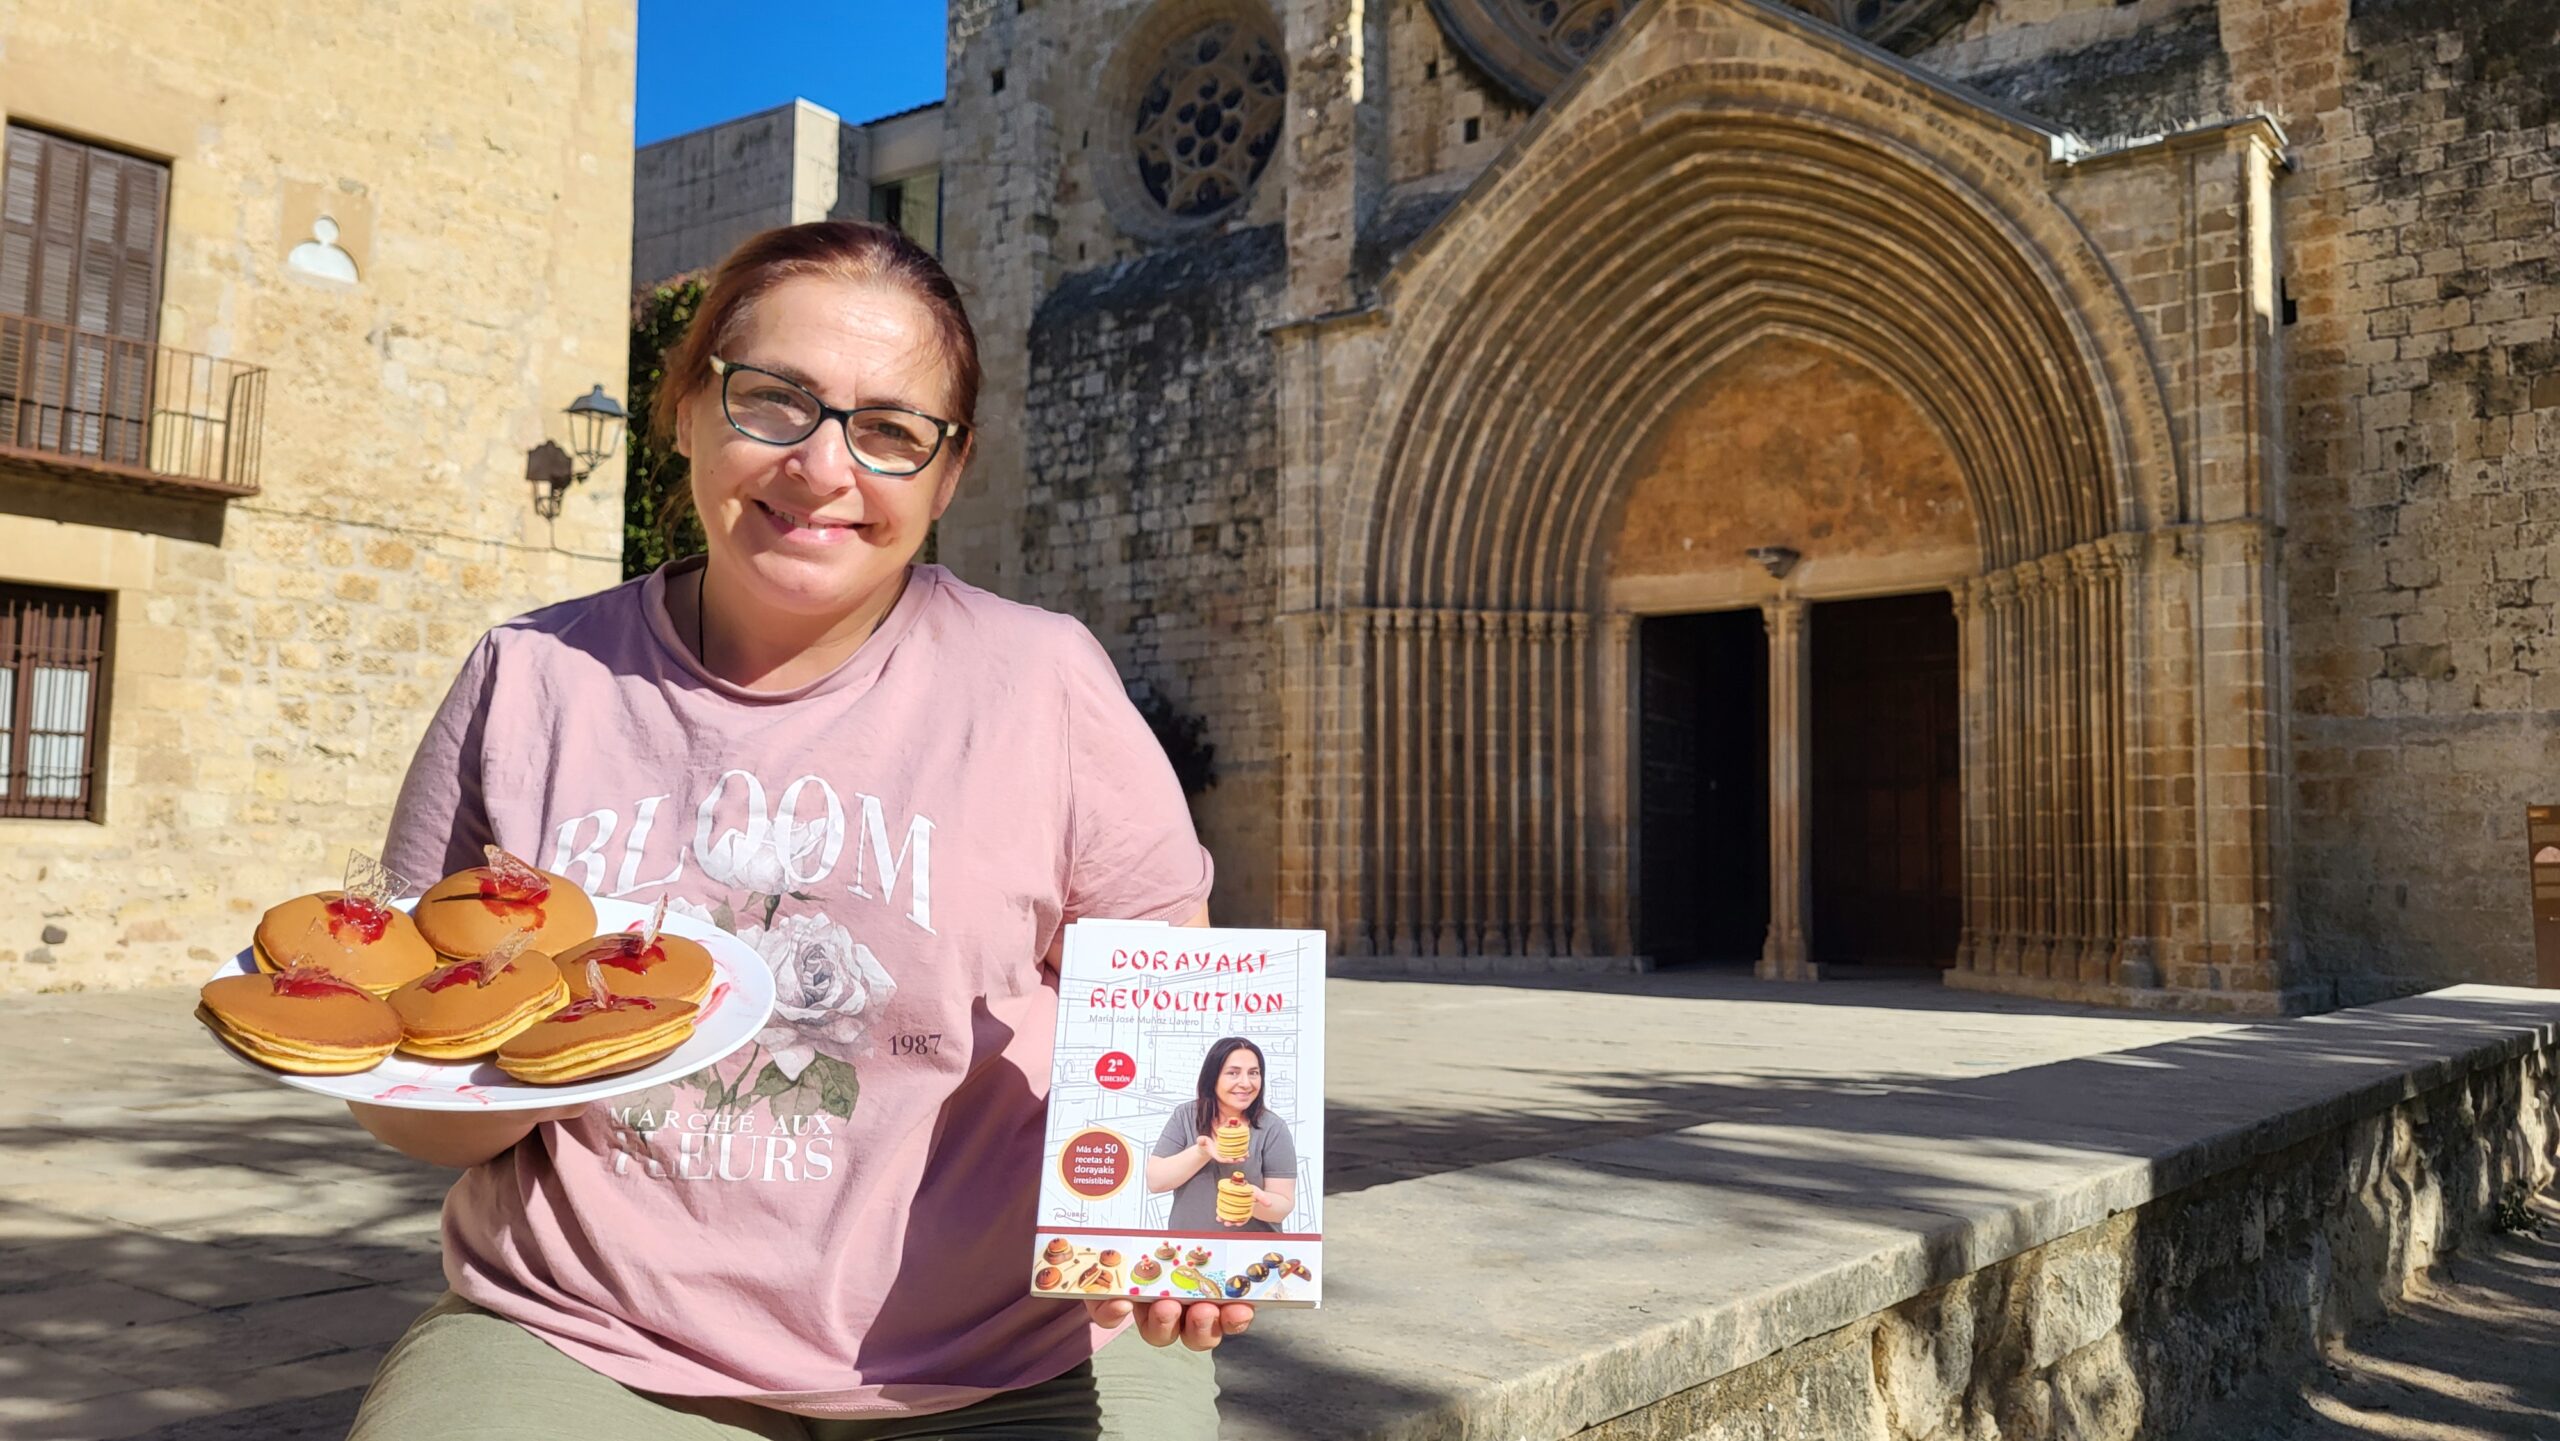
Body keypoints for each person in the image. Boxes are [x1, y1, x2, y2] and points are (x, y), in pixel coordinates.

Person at [342, 221, 1247, 1441]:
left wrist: (1178, 1242)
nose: (823, 468)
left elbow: (1175, 995)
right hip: (592, 1334)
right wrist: (529, 1047)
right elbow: (408, 1103)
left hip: (1009, 1348)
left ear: (949, 472)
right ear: (686, 411)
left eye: (891, 430)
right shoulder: (530, 678)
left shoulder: (1042, 679)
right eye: (773, 400)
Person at [1144, 1037, 1297, 1231]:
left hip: (1251, 1247)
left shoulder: (1273, 1128)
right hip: (1188, 1245)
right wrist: (1202, 1152)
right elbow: (1156, 1182)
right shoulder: (1185, 1116)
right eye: (1233, 1073)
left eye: (1254, 1073)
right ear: (1213, 1077)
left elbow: (1283, 1204)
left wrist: (1246, 1202)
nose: (1246, 1083)